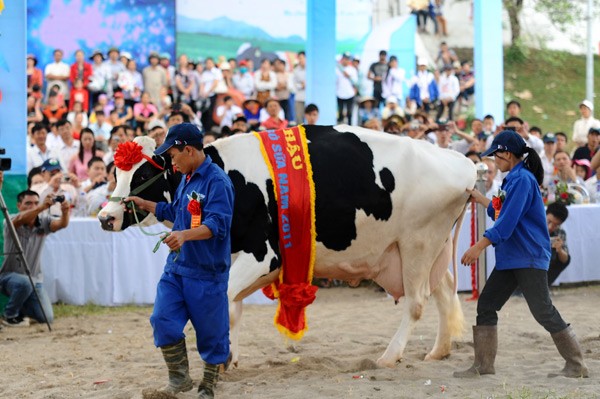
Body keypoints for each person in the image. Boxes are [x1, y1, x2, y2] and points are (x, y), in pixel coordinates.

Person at [454, 130, 588, 379]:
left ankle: (576, 364)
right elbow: (501, 210)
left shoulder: (523, 180)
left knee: (543, 311)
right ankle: (483, 365)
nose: (494, 161)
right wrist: (480, 198)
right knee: (487, 305)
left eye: (495, 156)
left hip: (527, 256)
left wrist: (478, 246)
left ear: (506, 153)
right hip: (512, 257)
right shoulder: (513, 179)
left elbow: (506, 223)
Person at [124, 123, 234, 398]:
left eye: (173, 155)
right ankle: (179, 379)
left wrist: (183, 236)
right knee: (162, 319)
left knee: (212, 332)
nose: (171, 161)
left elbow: (216, 225)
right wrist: (147, 205)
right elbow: (177, 212)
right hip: (177, 268)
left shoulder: (217, 182)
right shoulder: (186, 177)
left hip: (207, 271)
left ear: (188, 150)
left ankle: (208, 383)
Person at [0, 189, 70, 326]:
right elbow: (20, 219)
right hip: (8, 277)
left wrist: (65, 212)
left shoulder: (44, 221)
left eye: (36, 203)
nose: (33, 206)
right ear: (18, 206)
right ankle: (9, 315)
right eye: (28, 203)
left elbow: (61, 224)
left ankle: (21, 310)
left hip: (35, 280)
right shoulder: (12, 219)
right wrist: (42, 207)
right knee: (24, 282)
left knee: (46, 318)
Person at [545, 202, 571, 287]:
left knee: (566, 258)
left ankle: (544, 285)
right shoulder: (533, 225)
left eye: (556, 225)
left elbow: (564, 260)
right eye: (549, 221)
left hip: (545, 264)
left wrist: (559, 250)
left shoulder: (560, 232)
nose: (550, 227)